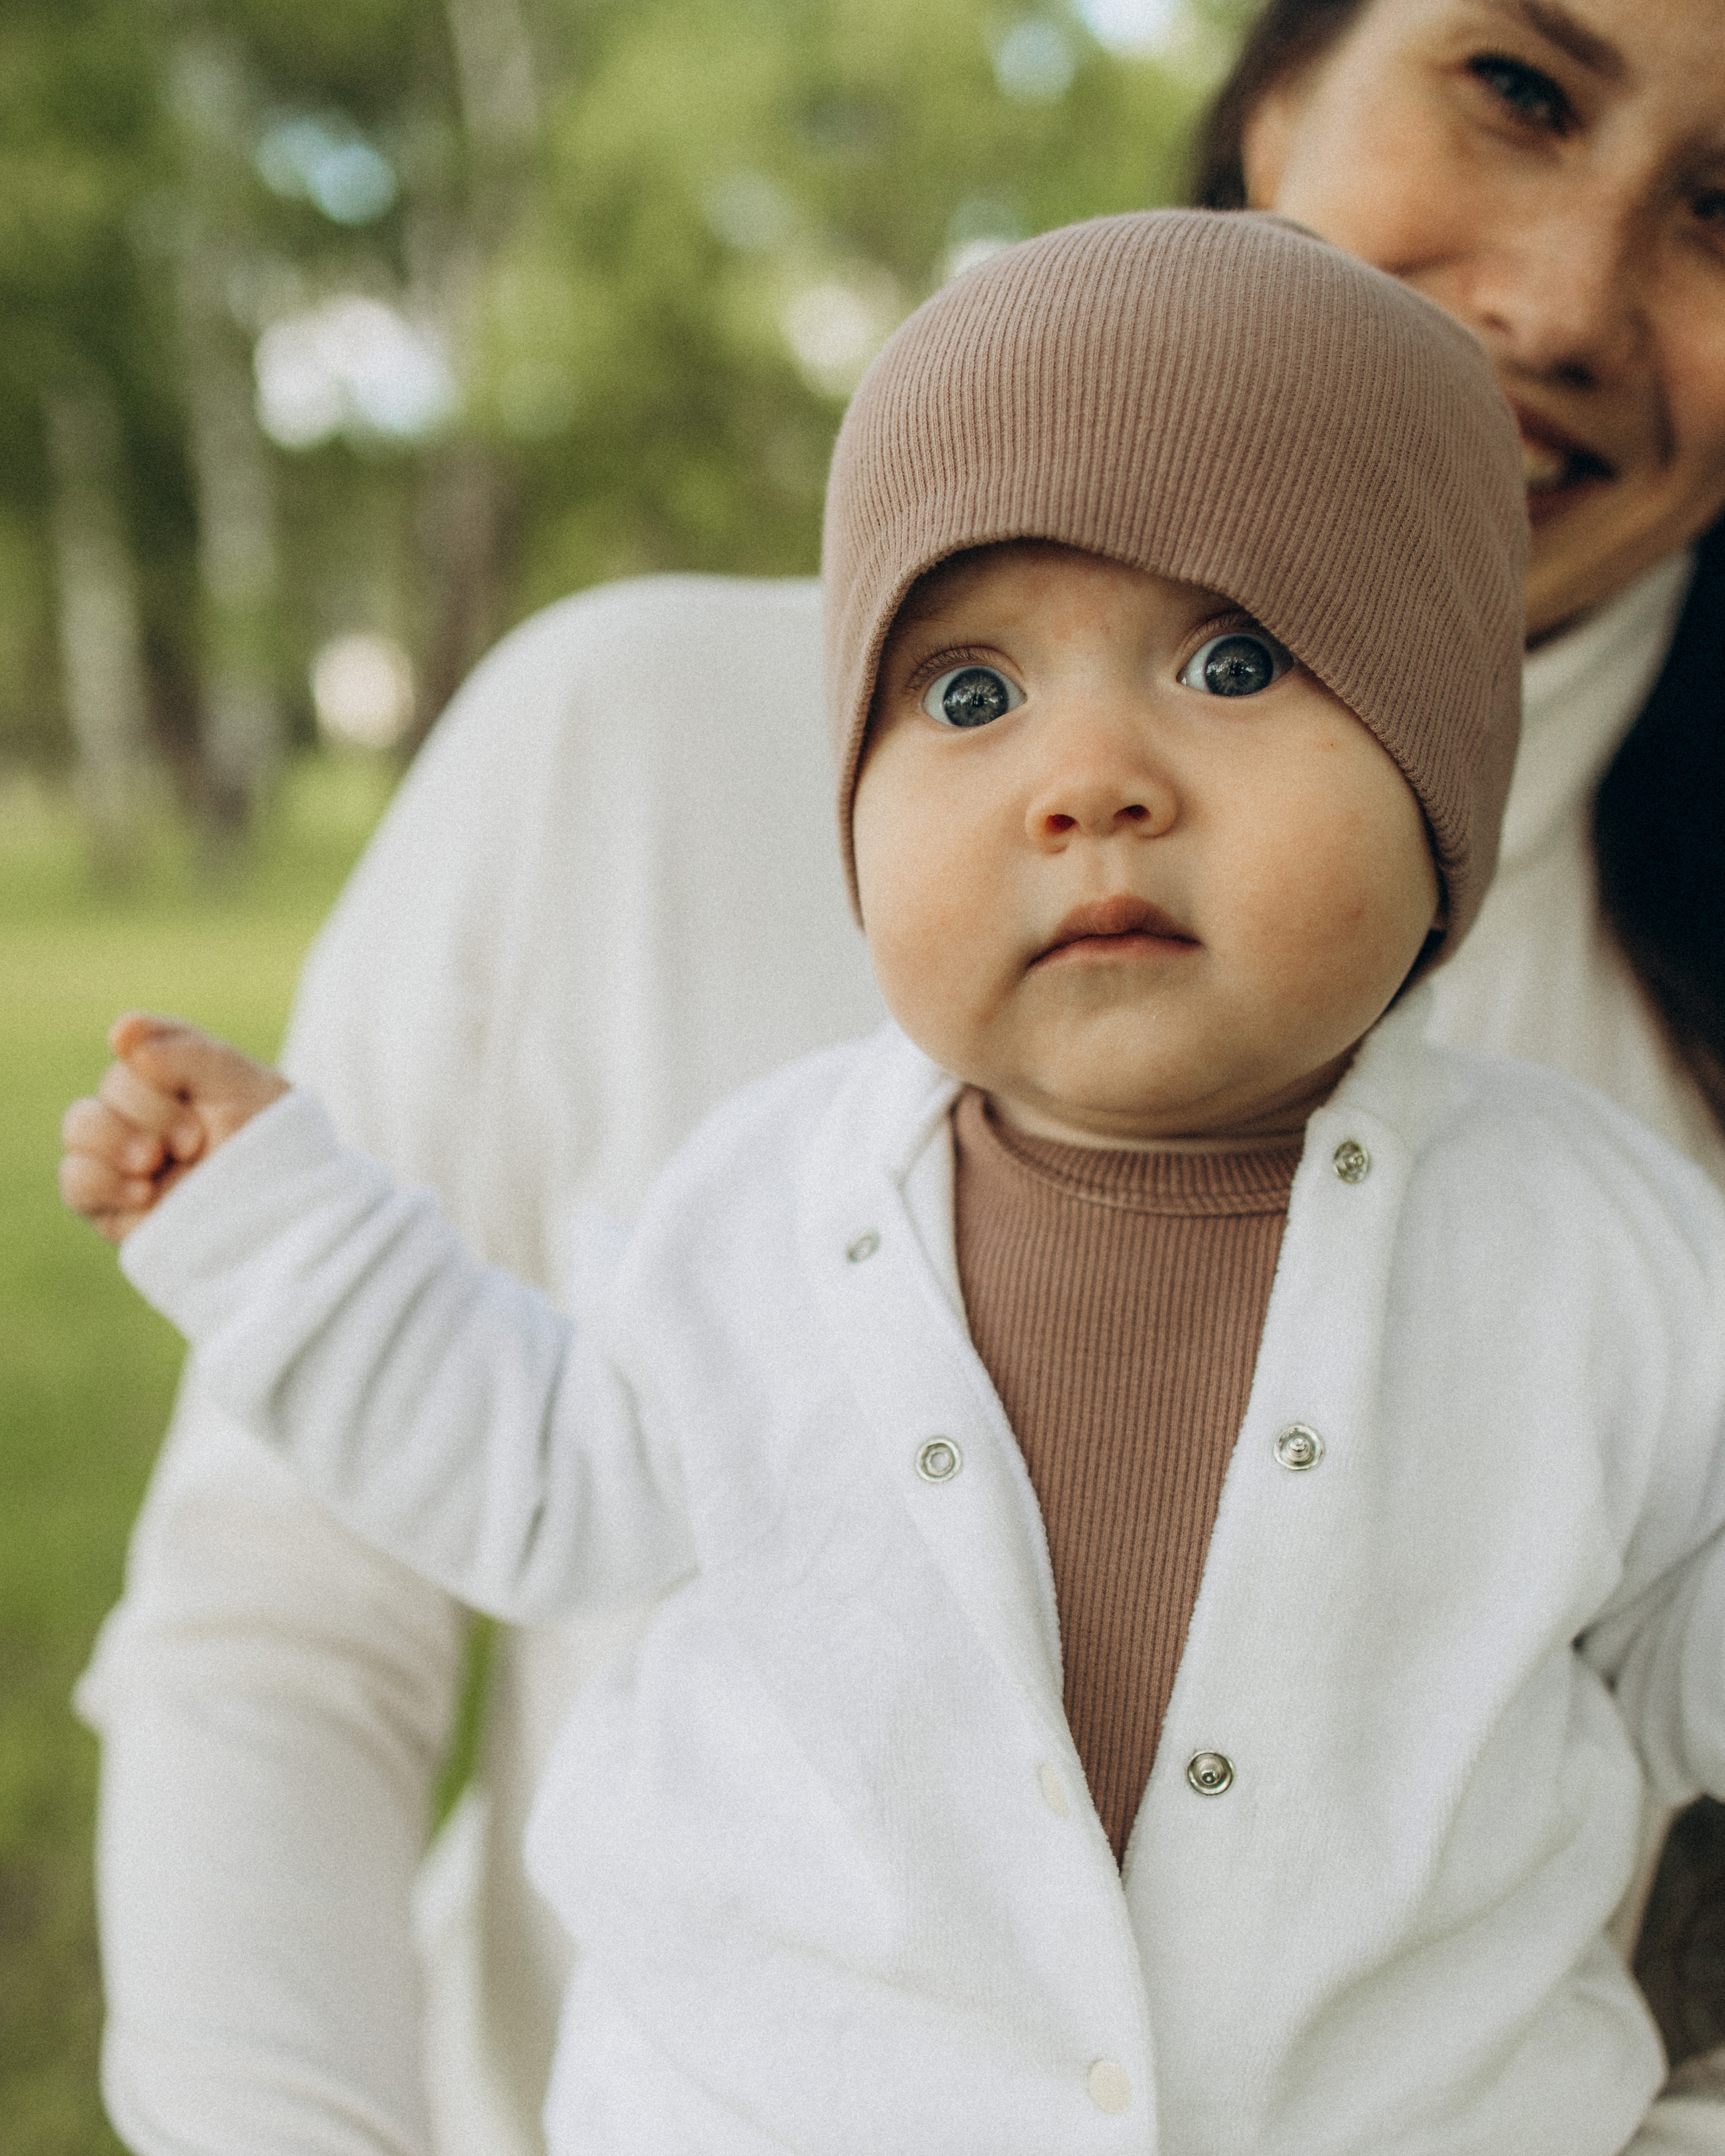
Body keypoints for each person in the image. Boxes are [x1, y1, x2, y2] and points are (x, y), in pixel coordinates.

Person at [76, 3, 1725, 2150]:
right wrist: (288, 1235)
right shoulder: (732, 1074)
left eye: (1240, 663)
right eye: (1517, 86)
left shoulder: (1601, 1236)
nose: (1567, 298)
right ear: (1283, 81)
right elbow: (478, 1508)